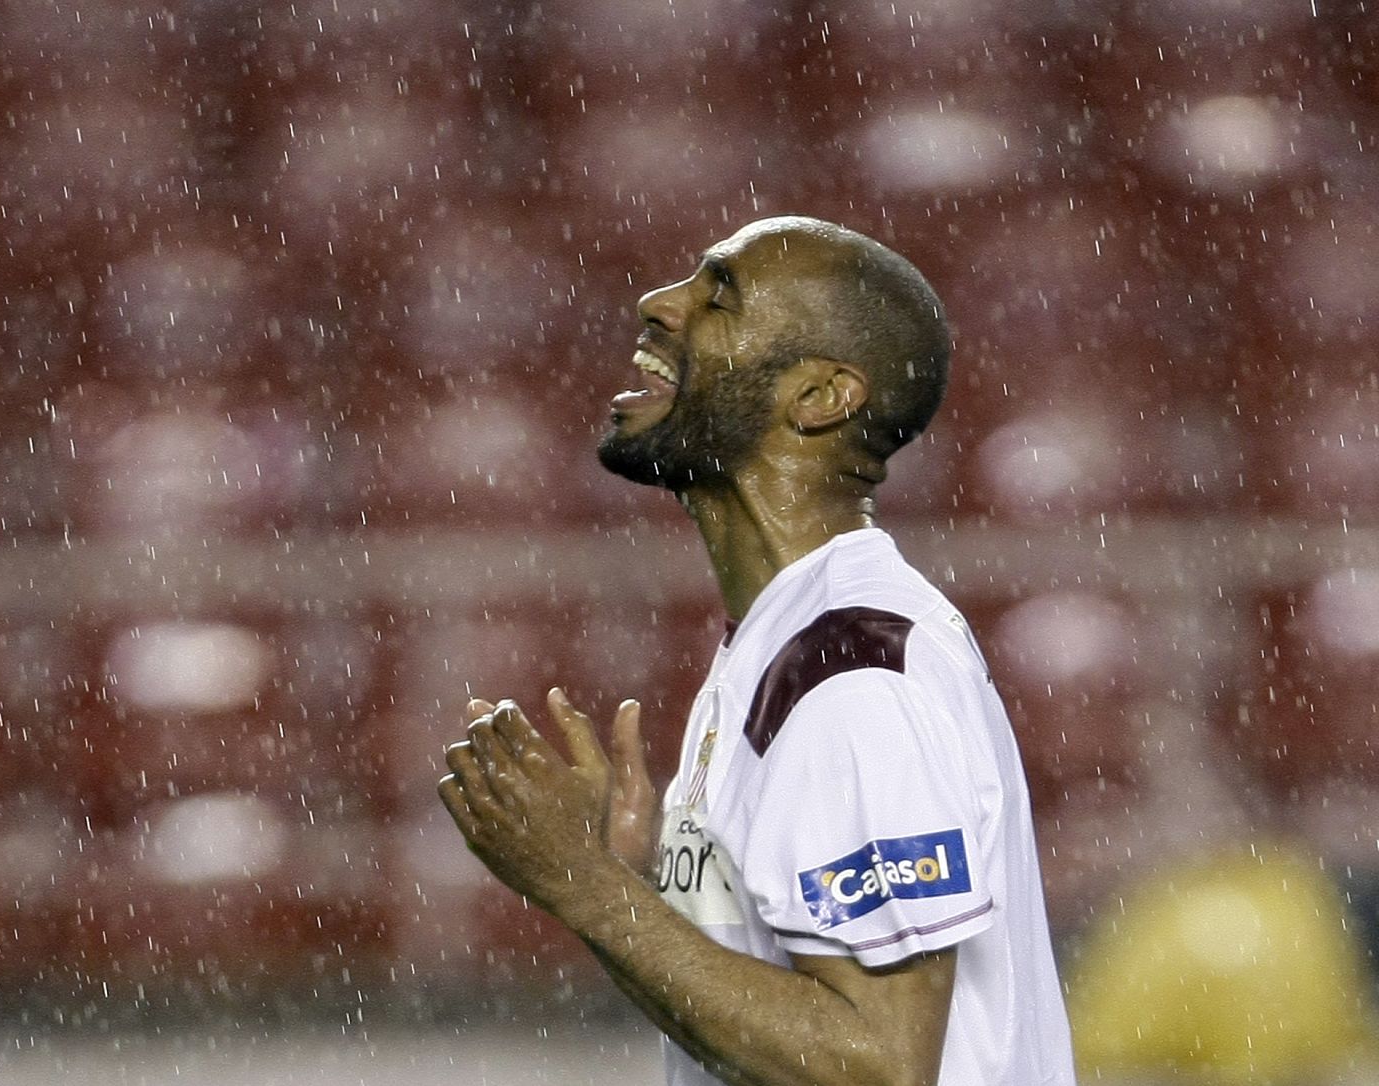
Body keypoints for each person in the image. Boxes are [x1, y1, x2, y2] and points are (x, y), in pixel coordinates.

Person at [437, 216, 1076, 1086]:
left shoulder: (852, 678)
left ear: (819, 398)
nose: (658, 304)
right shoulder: (777, 648)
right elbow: (777, 1010)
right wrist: (637, 893)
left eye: (718, 296)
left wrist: (587, 888)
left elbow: (878, 1065)